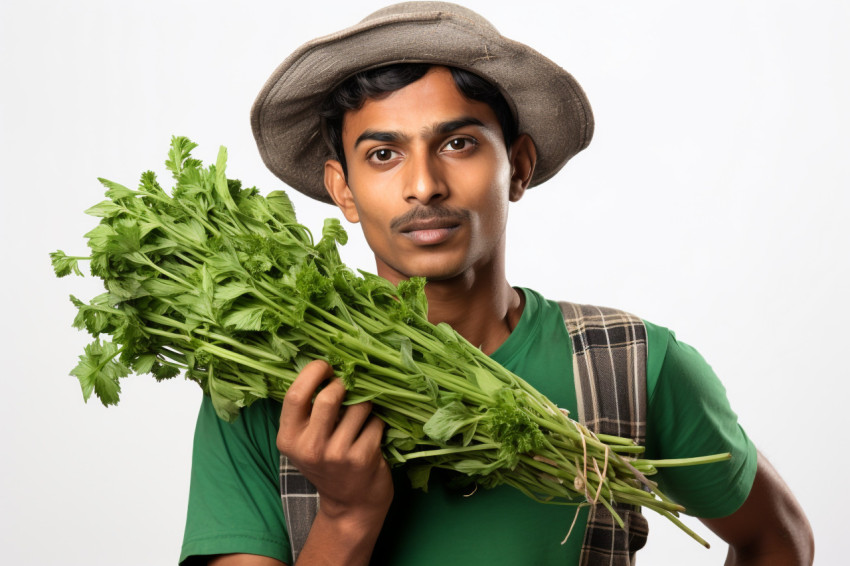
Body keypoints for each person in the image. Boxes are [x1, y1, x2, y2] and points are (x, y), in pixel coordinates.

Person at [179, 3, 814, 565]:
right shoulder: (267, 387)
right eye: (382, 154)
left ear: (519, 167)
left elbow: (777, 540)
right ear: (341, 188)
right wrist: (346, 517)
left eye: (457, 143)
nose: (423, 185)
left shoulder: (634, 364)